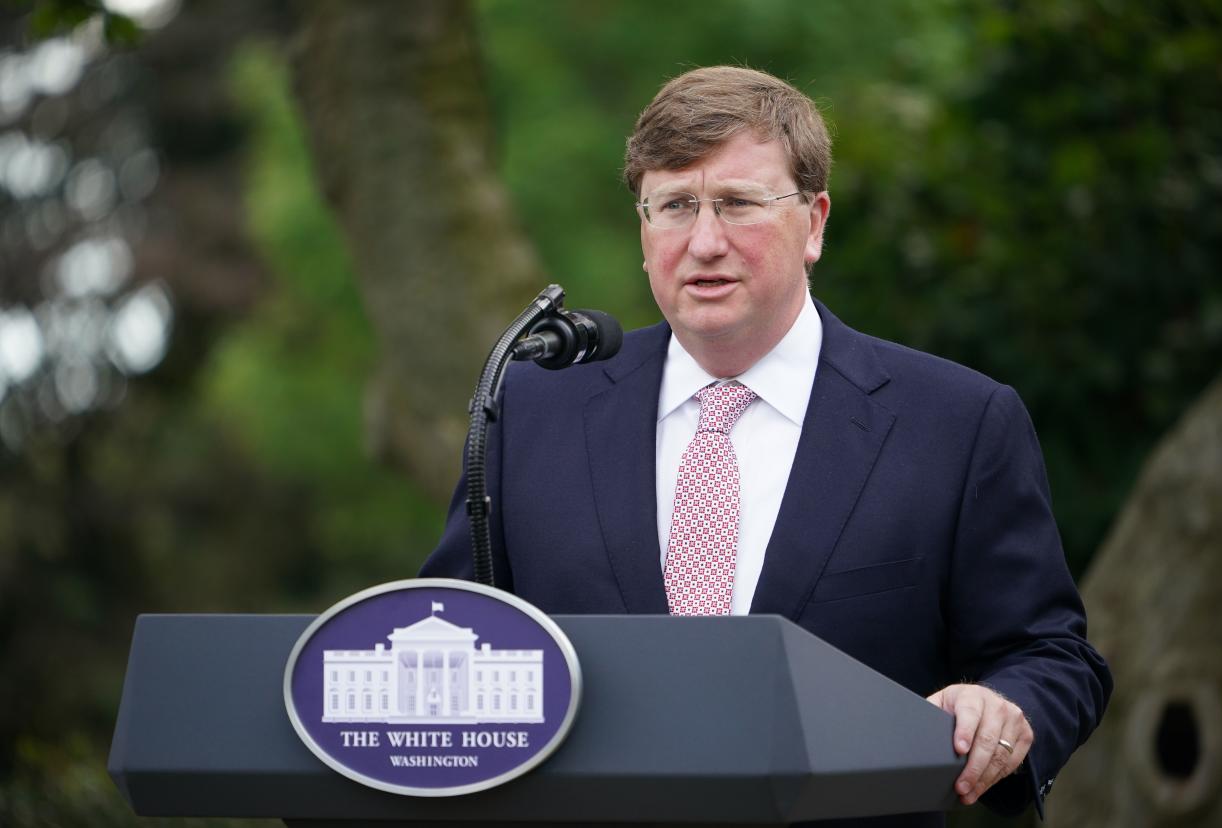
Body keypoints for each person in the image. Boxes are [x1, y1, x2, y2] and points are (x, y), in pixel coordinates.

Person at [421, 66, 1110, 824]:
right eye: (675, 206)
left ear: (814, 223)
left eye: (739, 204)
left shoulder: (956, 422)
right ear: (643, 231)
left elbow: (1052, 656)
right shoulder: (534, 409)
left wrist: (1003, 705)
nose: (705, 242)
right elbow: (451, 646)